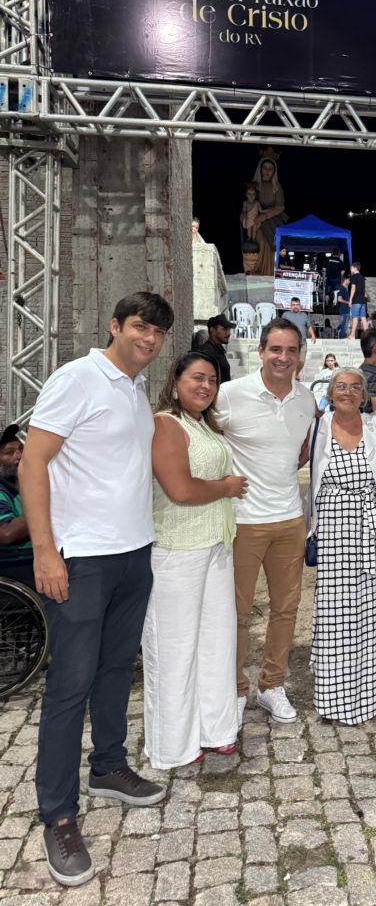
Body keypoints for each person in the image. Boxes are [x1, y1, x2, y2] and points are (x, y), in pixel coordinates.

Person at [19, 292, 173, 888]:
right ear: (114, 326)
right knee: (69, 686)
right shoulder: (76, 379)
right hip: (81, 558)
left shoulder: (134, 388)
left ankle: (108, 767)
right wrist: (45, 549)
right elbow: (33, 463)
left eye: (157, 332)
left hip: (133, 552)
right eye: (139, 327)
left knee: (114, 671)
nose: (149, 339)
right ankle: (58, 815)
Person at [143, 354, 248, 769]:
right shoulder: (165, 423)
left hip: (215, 546)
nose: (206, 386)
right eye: (197, 378)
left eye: (213, 380)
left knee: (216, 642)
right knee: (175, 648)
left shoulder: (203, 424)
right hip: (177, 549)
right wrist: (227, 487)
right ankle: (173, 744)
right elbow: (180, 490)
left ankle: (216, 729)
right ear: (176, 381)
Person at [214, 317, 316, 726]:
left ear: (299, 355)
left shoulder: (307, 399)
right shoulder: (229, 394)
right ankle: (235, 688)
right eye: (276, 349)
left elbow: (303, 451)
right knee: (236, 612)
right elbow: (201, 439)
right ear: (260, 351)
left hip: (290, 519)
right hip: (243, 521)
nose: (283, 357)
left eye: (291, 350)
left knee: (286, 609)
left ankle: (271, 685)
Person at [307, 368, 376, 724]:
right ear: (330, 393)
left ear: (364, 395)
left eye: (355, 387)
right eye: (340, 386)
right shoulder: (317, 428)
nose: (347, 392)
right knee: (334, 613)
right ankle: (333, 696)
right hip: (331, 533)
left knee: (370, 609)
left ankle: (367, 692)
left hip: (370, 531)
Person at [0, 425, 34, 590]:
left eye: (21, 449)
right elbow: (6, 533)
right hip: (17, 567)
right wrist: (43, 512)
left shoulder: (23, 486)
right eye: (9, 453)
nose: (19, 456)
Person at [244, 157, 287, 275]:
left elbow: (280, 207)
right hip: (257, 222)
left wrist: (264, 216)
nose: (267, 172)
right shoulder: (255, 186)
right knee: (261, 242)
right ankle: (257, 270)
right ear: (260, 169)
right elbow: (249, 203)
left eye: (270, 169)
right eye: (265, 168)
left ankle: (270, 272)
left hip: (272, 221)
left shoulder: (277, 187)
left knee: (272, 245)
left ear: (274, 171)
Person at [284, 297, 316, 378]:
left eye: (297, 305)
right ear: (291, 306)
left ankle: (296, 374)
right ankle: (293, 379)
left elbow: (308, 326)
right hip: (290, 343)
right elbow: (282, 327)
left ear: (300, 306)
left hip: (302, 342)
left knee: (301, 362)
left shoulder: (304, 315)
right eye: (293, 305)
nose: (295, 306)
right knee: (293, 361)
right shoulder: (286, 315)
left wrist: (312, 335)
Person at [201, 314, 233, 384]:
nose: (229, 333)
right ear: (213, 331)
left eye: (229, 330)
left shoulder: (218, 348)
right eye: (224, 329)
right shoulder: (207, 352)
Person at [348, 263, 368, 339]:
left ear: (355, 268)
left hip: (356, 300)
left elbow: (353, 289)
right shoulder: (362, 278)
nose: (350, 269)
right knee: (363, 317)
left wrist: (350, 300)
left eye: (351, 268)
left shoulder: (353, 277)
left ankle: (352, 335)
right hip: (363, 300)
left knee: (355, 317)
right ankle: (367, 335)